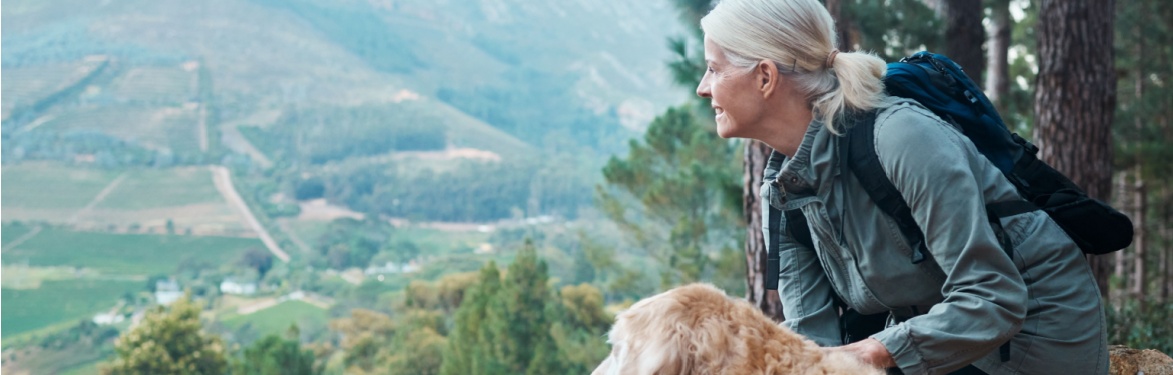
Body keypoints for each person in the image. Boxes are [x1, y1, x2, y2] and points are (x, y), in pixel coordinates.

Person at [693, 0, 1109, 374]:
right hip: (937, 344)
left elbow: (993, 298)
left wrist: (870, 354)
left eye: (713, 68)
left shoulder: (902, 137)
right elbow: (811, 340)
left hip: (1035, 341)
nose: (703, 87)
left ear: (765, 76)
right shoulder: (784, 192)